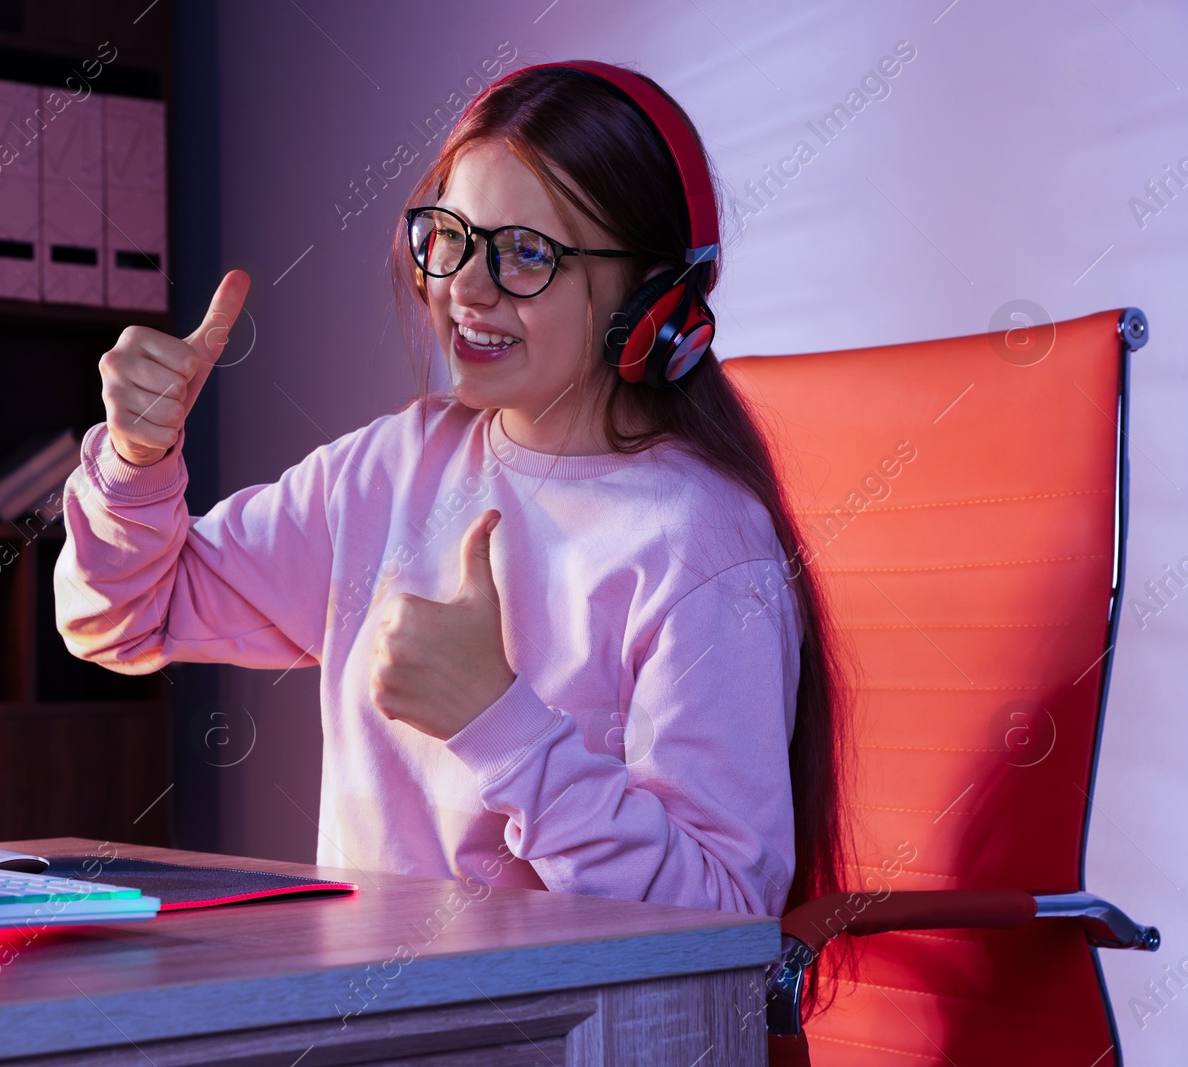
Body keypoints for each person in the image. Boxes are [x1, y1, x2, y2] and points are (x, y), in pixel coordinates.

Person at [54, 63, 850, 931]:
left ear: (655, 299)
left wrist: (498, 722)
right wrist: (137, 458)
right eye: (452, 237)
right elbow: (122, 619)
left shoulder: (700, 542)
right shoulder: (392, 467)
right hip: (363, 1013)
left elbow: (727, 916)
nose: (466, 288)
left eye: (526, 254)